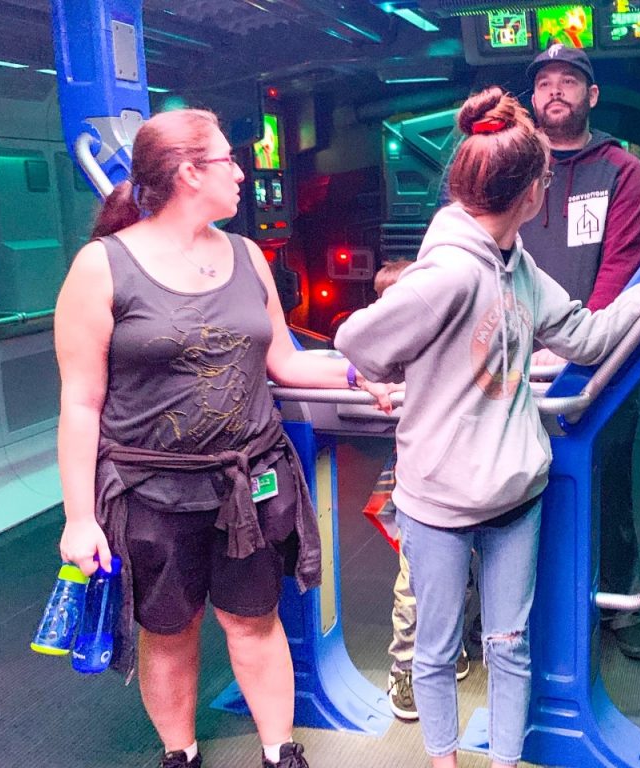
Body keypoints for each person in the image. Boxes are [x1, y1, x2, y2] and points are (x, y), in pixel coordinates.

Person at [335, 87, 640, 768]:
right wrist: (381, 379)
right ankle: (443, 763)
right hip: (438, 503)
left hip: (513, 497)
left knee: (510, 646)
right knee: (439, 649)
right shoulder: (447, 272)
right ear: (531, 195)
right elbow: (356, 339)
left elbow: (587, 337)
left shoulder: (520, 269)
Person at [53, 108, 392, 768]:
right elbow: (80, 402)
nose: (242, 173)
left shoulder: (246, 256)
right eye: (229, 161)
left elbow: (287, 362)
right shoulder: (102, 268)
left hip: (247, 483)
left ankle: (278, 750)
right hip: (151, 492)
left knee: (254, 620)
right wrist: (78, 517)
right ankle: (180, 754)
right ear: (187, 174)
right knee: (170, 632)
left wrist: (359, 372)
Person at [520, 43, 640, 661]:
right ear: (532, 98)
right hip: (511, 362)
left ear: (591, 96)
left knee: (608, 482)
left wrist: (578, 350)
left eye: (569, 81)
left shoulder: (620, 171)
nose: (555, 90)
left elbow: (622, 270)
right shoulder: (512, 166)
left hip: (598, 362)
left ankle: (618, 606)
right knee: (506, 488)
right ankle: (500, 607)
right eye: (544, 82)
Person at [360, 259, 474, 722]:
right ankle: (404, 665)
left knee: (461, 571)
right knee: (415, 581)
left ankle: (450, 645)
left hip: (464, 480)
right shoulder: (385, 362)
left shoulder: (452, 348)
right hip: (417, 485)